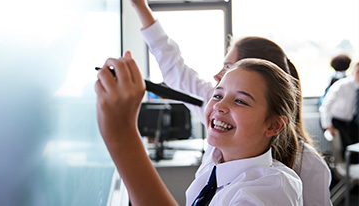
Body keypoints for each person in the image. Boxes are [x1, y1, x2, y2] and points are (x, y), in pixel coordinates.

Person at [124, 0, 331, 205]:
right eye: (218, 94)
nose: (216, 77)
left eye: (229, 68)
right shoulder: (219, 148)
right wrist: (140, 5)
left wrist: (121, 136)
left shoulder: (288, 177)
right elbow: (176, 70)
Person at [95, 56, 303, 205]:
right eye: (217, 95)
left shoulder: (271, 191)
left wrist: (122, 137)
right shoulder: (215, 159)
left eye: (240, 101)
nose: (220, 106)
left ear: (274, 125)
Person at [319, 61, 359, 163]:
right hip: (336, 120)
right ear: (353, 72)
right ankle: (348, 173)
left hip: (351, 122)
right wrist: (327, 125)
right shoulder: (342, 85)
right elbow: (325, 106)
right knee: (347, 149)